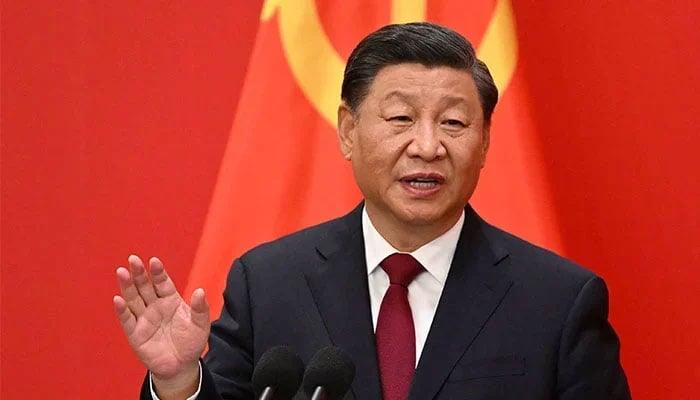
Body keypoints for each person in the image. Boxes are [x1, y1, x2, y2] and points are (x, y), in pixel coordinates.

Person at [114, 22, 631, 400]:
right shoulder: (269, 283)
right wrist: (180, 383)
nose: (427, 146)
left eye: (453, 123)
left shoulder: (559, 300)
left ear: (486, 141)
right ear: (348, 131)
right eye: (401, 117)